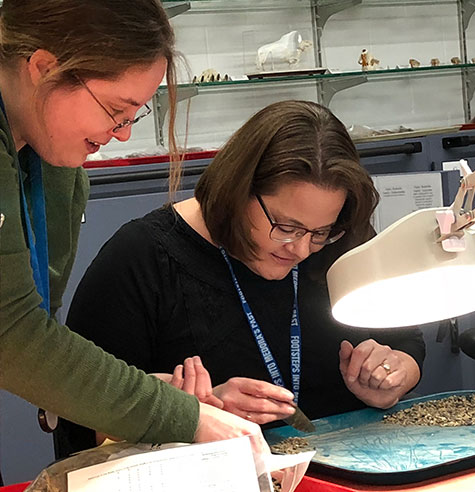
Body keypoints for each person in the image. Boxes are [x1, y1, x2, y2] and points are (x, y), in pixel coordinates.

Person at [55, 100, 426, 457]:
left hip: (350, 469)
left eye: (319, 232)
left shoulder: (342, 240)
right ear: (237, 191)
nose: (301, 250)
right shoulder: (141, 259)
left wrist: (393, 376)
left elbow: (408, 343)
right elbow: (80, 422)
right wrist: (187, 416)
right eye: (286, 227)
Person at [0, 1, 263, 481]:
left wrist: (137, 397)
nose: (120, 136)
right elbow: (11, 334)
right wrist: (179, 415)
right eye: (115, 111)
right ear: (43, 67)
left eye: (134, 117)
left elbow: (36, 329)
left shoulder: (51, 162)